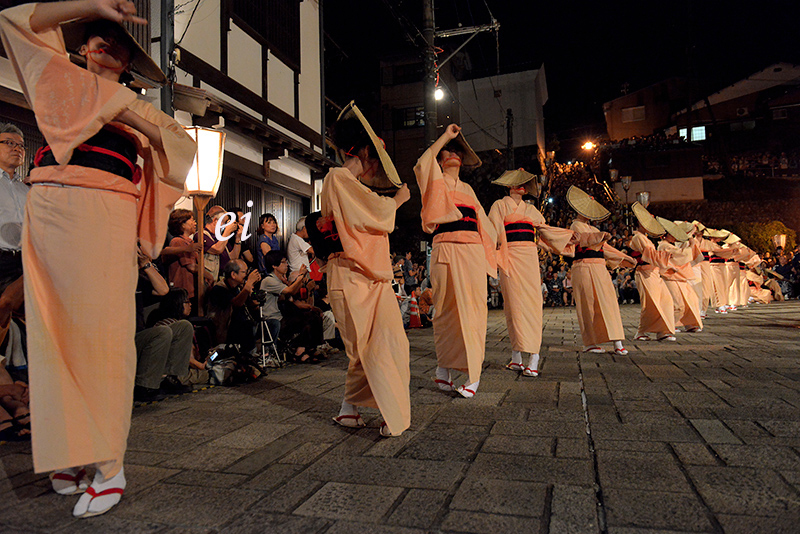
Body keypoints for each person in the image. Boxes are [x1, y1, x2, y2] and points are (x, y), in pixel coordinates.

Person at [0, 0, 197, 518]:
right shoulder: (57, 77)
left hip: (103, 209)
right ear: (80, 47)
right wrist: (88, 4)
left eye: (117, 44)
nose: (104, 45)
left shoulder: (135, 104)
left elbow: (178, 147)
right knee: (51, 333)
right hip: (47, 208)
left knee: (102, 335)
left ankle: (108, 462)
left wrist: (117, 107)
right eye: (95, 37)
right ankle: (69, 450)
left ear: (129, 63)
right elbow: (15, 19)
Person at [324, 102, 411, 436]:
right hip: (350, 273)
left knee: (384, 343)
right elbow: (374, 214)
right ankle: (383, 412)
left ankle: (350, 409)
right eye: (373, 158)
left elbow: (368, 213)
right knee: (369, 348)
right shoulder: (337, 178)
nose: (375, 167)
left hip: (366, 275)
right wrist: (399, 201)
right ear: (363, 153)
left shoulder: (349, 184)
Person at [414, 123, 497, 398]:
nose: (453, 154)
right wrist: (445, 137)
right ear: (439, 158)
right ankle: (443, 369)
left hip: (470, 252)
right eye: (447, 151)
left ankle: (473, 375)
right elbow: (422, 163)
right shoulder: (433, 180)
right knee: (445, 311)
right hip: (442, 250)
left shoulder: (470, 190)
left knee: (473, 310)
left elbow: (486, 228)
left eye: (457, 151)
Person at [488, 168, 574, 377]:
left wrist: (567, 237)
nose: (521, 186)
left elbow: (545, 232)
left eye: (524, 183)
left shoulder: (532, 210)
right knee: (513, 306)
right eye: (517, 183)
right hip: (510, 257)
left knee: (533, 304)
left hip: (528, 257)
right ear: (509, 186)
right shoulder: (499, 205)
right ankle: (517, 357)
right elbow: (494, 233)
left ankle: (533, 356)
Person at [566, 186, 634, 355]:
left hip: (599, 267)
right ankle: (590, 342)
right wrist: (600, 237)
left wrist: (626, 258)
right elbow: (584, 240)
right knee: (587, 305)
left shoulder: (595, 230)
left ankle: (617, 341)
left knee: (609, 302)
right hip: (582, 266)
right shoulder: (576, 225)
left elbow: (606, 248)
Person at [628, 203, 676, 342]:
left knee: (665, 300)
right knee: (650, 303)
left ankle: (662, 331)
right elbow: (648, 255)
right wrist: (664, 256)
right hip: (644, 273)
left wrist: (664, 261)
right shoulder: (637, 237)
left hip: (653, 272)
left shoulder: (646, 238)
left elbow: (653, 255)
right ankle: (641, 331)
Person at [0, 123, 28, 334]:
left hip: (25, 260)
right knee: (5, 305)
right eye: (9, 143)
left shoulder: (27, 190)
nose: (17, 148)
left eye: (21, 145)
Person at [656, 217, 704, 333]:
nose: (674, 237)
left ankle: (689, 323)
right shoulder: (663, 245)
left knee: (691, 300)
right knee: (678, 304)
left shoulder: (669, 244)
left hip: (679, 275)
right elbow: (679, 255)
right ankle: (668, 326)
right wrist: (691, 246)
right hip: (670, 276)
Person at [206, 259, 261, 354]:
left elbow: (255, 303)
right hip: (225, 330)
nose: (246, 275)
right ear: (233, 275)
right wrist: (247, 285)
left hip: (240, 326)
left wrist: (251, 286)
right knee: (245, 326)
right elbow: (236, 303)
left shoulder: (238, 287)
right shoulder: (219, 288)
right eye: (244, 272)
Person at [202, 205, 239, 281]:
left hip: (224, 279)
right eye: (225, 222)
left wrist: (238, 238)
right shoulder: (202, 235)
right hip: (211, 281)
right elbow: (217, 249)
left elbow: (233, 258)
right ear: (215, 221)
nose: (226, 225)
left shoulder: (220, 237)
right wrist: (228, 231)